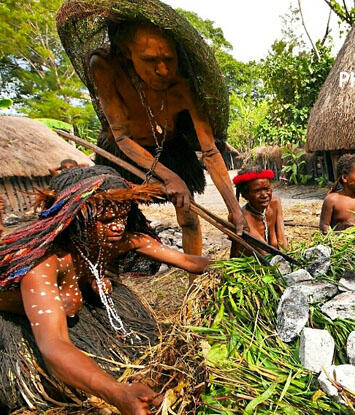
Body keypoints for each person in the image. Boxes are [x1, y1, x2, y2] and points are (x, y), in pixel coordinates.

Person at [0, 166, 212, 415]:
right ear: (75, 218)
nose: (118, 226)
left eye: (122, 216)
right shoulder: (46, 264)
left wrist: (253, 263)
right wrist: (116, 392)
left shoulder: (122, 241)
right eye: (106, 220)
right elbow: (53, 344)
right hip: (29, 327)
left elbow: (190, 262)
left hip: (72, 316)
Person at [67, 16, 246, 257]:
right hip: (123, 152)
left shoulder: (183, 84)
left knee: (189, 216)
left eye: (168, 60)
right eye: (150, 60)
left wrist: (234, 209)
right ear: (126, 53)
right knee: (110, 219)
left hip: (168, 147)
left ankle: (193, 277)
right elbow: (121, 137)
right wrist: (170, 177)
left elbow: (210, 151)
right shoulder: (105, 66)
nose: (162, 70)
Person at [229, 166, 287, 257]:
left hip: (271, 256)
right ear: (245, 195)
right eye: (257, 191)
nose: (264, 195)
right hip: (252, 262)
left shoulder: (275, 203)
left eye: (267, 189)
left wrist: (286, 254)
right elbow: (263, 250)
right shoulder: (243, 217)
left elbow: (282, 239)